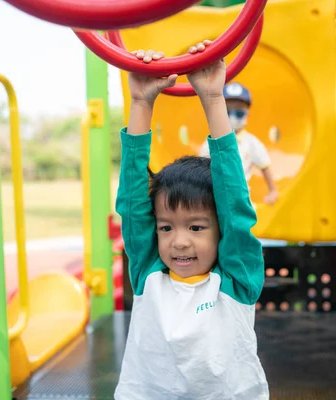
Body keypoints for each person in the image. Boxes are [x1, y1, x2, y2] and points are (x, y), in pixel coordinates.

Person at [114, 40, 269, 399]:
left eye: (196, 227)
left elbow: (234, 204)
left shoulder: (235, 281)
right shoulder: (149, 273)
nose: (178, 241)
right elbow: (134, 204)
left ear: (220, 232)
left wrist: (214, 99)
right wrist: (140, 103)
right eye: (166, 227)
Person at [199, 81, 279, 205]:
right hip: (215, 197)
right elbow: (200, 170)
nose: (233, 117)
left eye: (239, 112)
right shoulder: (211, 142)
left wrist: (273, 191)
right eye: (227, 112)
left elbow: (265, 166)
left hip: (242, 198)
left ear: (247, 114)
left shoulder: (251, 143)